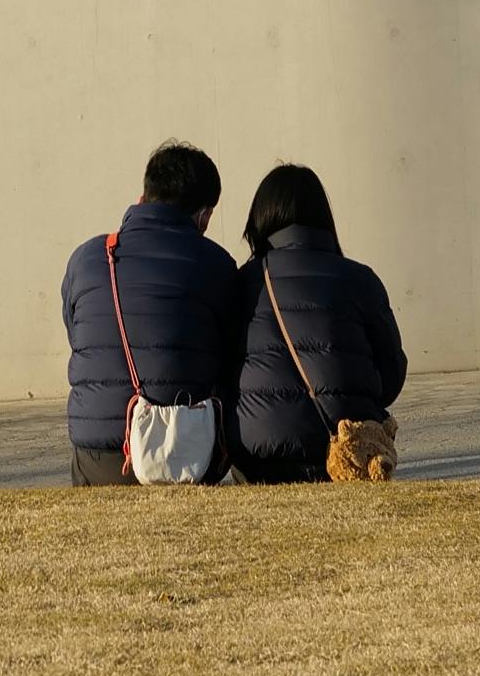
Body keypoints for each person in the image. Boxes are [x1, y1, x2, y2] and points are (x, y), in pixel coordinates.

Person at [59, 144, 244, 486]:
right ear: (204, 216)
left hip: (100, 456)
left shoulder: (87, 259)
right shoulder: (217, 265)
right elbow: (231, 353)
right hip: (186, 451)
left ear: (142, 196)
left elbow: (76, 335)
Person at [231, 162, 408, 481]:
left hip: (259, 455)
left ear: (259, 219)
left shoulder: (242, 284)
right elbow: (392, 373)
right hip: (348, 450)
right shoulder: (360, 279)